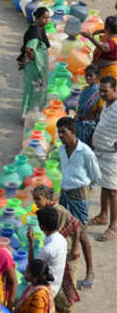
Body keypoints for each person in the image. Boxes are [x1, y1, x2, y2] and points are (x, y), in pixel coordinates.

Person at [57, 117, 101, 227]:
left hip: (79, 193)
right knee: (64, 225)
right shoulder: (61, 149)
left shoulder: (86, 152)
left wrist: (88, 188)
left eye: (63, 132)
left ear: (72, 131)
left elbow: (96, 175)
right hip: (64, 191)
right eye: (59, 132)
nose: (60, 135)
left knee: (80, 228)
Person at [89, 75, 117, 241]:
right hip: (101, 151)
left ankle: (113, 226)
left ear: (115, 90)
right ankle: (103, 215)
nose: (102, 94)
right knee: (104, 186)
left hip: (111, 155)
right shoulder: (107, 104)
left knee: (113, 190)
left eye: (105, 91)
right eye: (100, 91)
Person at [28, 206, 67, 299]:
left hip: (46, 289)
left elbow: (32, 266)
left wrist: (31, 243)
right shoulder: (61, 239)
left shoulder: (47, 249)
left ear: (41, 227)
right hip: (57, 283)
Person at [18, 7, 51, 116]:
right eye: (44, 18)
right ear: (37, 18)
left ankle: (33, 112)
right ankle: (29, 114)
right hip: (34, 68)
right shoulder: (35, 32)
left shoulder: (38, 28)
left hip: (37, 66)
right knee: (33, 91)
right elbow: (29, 48)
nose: (46, 20)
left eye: (48, 18)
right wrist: (34, 59)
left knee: (36, 90)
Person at [74, 64, 103, 147]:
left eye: (91, 75)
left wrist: (95, 134)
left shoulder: (99, 93)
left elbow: (99, 116)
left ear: (97, 77)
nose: (88, 78)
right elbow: (79, 107)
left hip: (89, 128)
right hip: (79, 124)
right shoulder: (84, 89)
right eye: (86, 75)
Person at [82, 15, 117, 80]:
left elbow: (103, 47)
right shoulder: (110, 33)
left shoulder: (113, 42)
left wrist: (90, 37)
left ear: (108, 28)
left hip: (109, 73)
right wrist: (100, 31)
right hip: (102, 70)